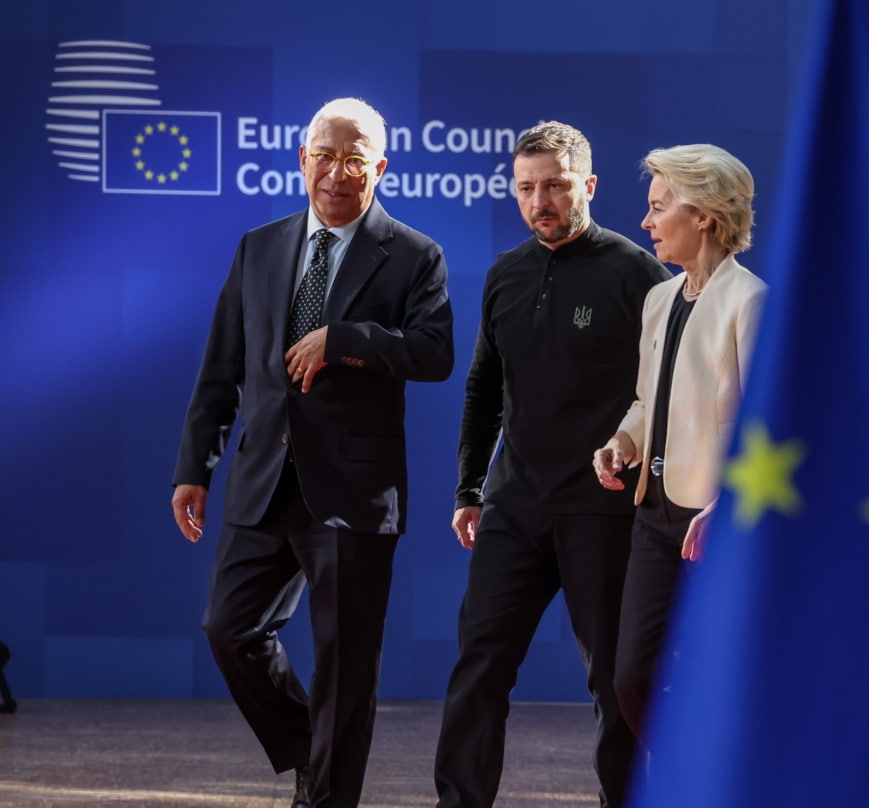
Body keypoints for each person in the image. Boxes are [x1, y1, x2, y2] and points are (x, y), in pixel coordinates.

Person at [171, 97, 455, 808]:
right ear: (302, 160)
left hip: (353, 490)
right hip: (263, 477)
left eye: (355, 159)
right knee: (228, 630)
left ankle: (326, 797)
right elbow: (220, 370)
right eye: (324, 155)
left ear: (380, 169)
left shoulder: (415, 255)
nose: (337, 171)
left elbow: (434, 353)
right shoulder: (259, 247)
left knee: (345, 668)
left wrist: (347, 340)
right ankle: (308, 749)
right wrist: (193, 469)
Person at [433, 121, 669, 808]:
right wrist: (470, 487)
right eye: (527, 188)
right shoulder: (505, 275)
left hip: (603, 508)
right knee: (479, 665)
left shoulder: (637, 275)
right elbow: (483, 386)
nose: (542, 202)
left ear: (587, 187)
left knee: (613, 681)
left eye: (557, 187)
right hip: (514, 506)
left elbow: (660, 394)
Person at [592, 144, 766, 746]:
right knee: (632, 677)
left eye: (659, 207)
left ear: (705, 217)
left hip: (718, 521)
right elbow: (648, 402)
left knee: (721, 682)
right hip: (654, 513)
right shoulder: (658, 299)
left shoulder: (751, 302)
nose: (645, 222)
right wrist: (621, 442)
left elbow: (767, 427)